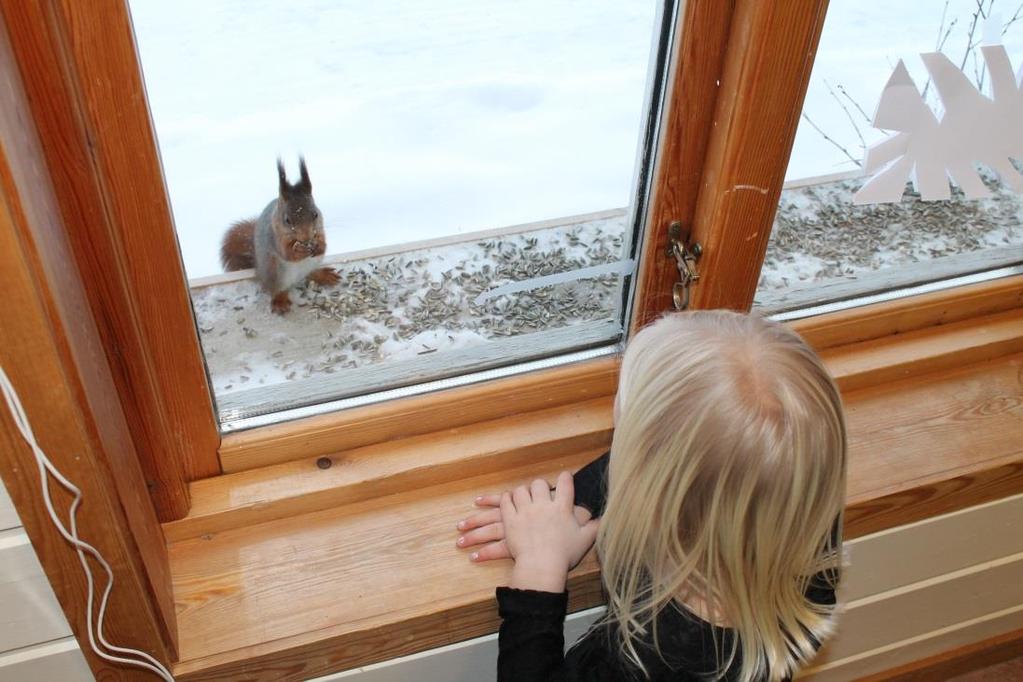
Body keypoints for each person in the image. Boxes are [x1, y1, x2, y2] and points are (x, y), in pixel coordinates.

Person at [456, 311, 847, 681]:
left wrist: (541, 567)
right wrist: (574, 507)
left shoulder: (647, 659)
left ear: (656, 493)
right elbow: (683, 461)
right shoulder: (800, 524)